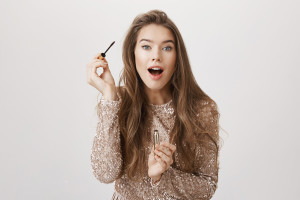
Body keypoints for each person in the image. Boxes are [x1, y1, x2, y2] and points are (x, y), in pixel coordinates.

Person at [86, 9, 220, 200]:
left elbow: (207, 185)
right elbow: (105, 173)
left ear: (177, 58)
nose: (156, 56)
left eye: (167, 48)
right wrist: (109, 96)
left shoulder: (202, 109)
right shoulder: (117, 102)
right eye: (146, 47)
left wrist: (162, 176)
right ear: (132, 53)